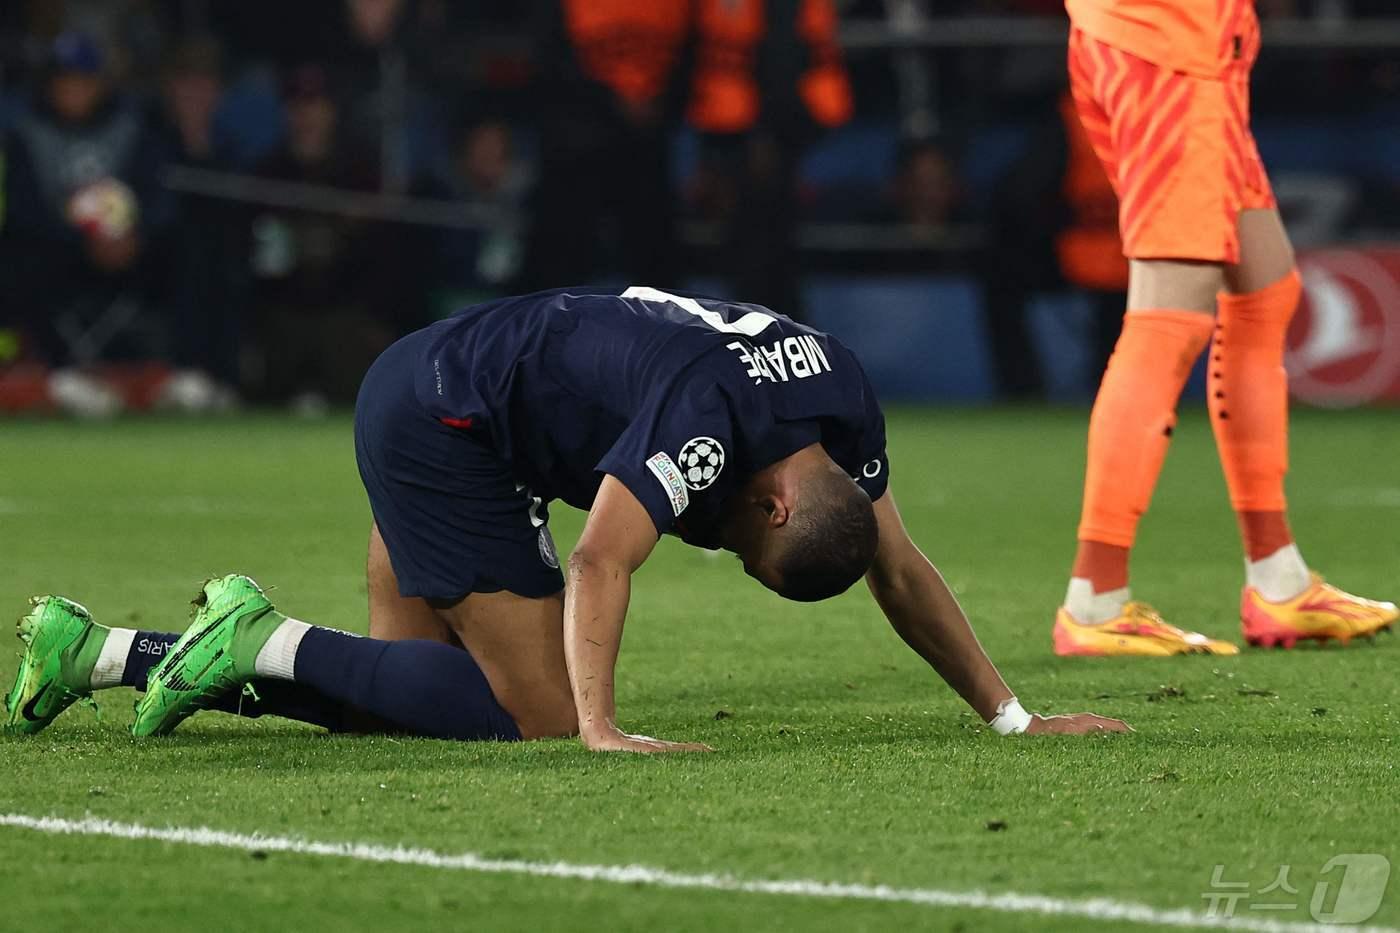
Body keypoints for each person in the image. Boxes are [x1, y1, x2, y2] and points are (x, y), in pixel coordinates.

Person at [6, 287, 1128, 748]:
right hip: (447, 422)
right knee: (530, 717)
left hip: (446, 383)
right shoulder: (710, 423)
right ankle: (257, 636)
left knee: (407, 699)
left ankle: (98, 651)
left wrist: (1014, 719)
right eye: (748, 544)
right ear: (777, 496)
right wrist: (599, 726)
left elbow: (899, 566)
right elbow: (601, 560)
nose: (722, 540)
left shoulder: (835, 397)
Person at [1053, 0, 1398, 655]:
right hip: (1166, 47)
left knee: (1264, 290)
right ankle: (1094, 600)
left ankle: (1278, 580)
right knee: (1169, 315)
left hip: (1188, 48)